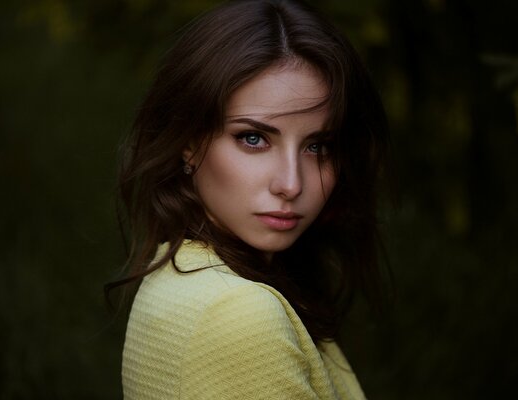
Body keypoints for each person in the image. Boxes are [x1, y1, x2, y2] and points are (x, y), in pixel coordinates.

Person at [109, 0, 390, 398]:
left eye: (319, 146)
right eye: (253, 138)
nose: (291, 184)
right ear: (188, 142)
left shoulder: (177, 272)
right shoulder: (236, 313)